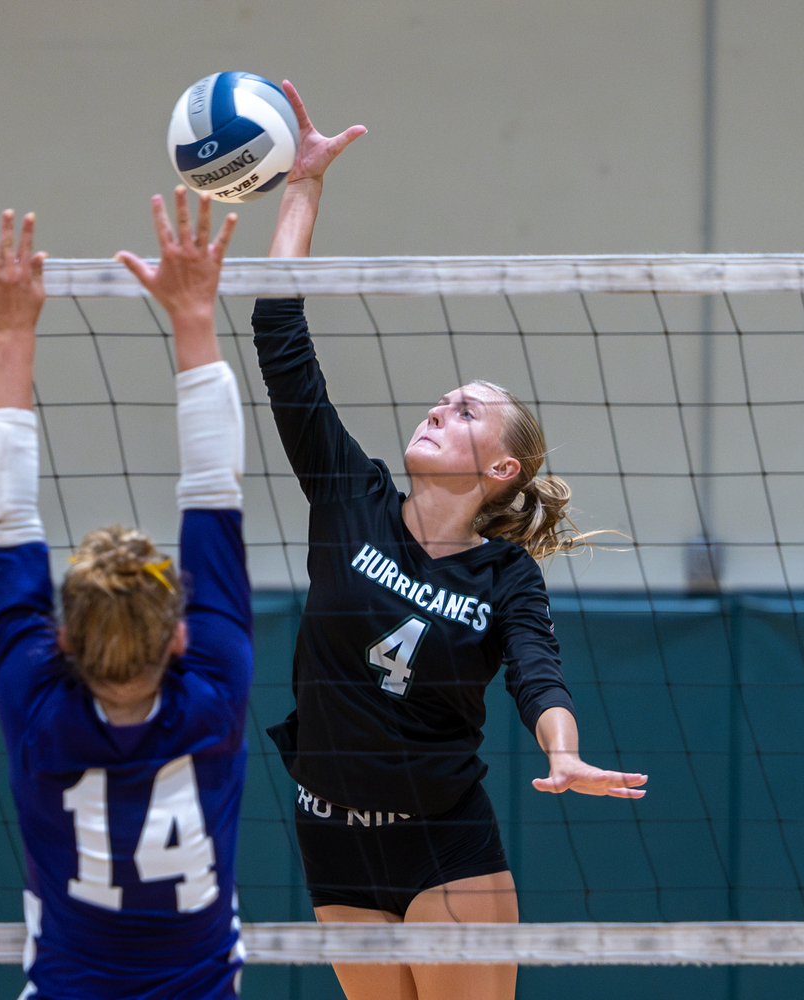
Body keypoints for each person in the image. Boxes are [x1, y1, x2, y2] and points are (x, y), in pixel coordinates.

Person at [250, 83, 651, 1000]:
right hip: (332, 837)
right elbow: (281, 337)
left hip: (444, 845)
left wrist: (561, 747)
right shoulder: (352, 499)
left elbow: (537, 670)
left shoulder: (503, 573)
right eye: (445, 397)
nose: (441, 405)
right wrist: (303, 187)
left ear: (502, 470)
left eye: (467, 411)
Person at [0, 189, 251, 999]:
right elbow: (213, 487)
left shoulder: (36, 700)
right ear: (179, 638)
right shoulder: (216, 690)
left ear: (61, 641)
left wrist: (9, 333)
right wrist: (195, 312)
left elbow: (6, 517)